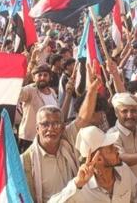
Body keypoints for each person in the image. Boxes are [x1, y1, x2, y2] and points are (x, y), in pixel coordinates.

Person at [21, 64, 101, 203]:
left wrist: (92, 90)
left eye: (56, 124)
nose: (51, 129)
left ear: (63, 127)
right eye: (45, 124)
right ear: (37, 128)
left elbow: (83, 118)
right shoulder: (26, 162)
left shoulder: (67, 140)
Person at [49, 126, 137, 202]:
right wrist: (77, 184)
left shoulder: (123, 170)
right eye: (110, 148)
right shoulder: (81, 188)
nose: (117, 150)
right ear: (98, 159)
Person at [18, 64, 58, 152]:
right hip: (30, 139)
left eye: (45, 75)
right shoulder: (30, 90)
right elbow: (18, 93)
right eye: (39, 75)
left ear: (50, 77)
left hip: (47, 139)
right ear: (34, 78)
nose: (42, 77)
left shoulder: (52, 92)